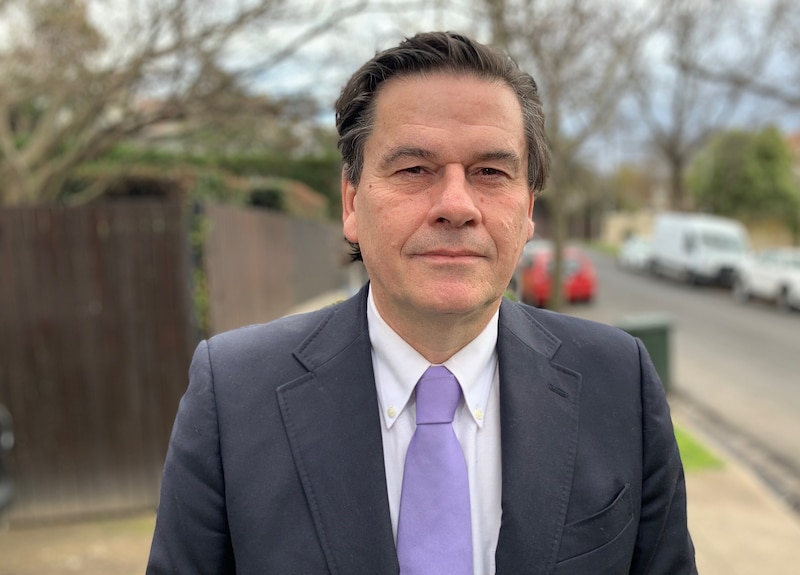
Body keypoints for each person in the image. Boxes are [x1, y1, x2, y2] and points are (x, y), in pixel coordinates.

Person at [147, 31, 698, 575]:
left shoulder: (619, 382)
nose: (456, 206)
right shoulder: (235, 395)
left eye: (490, 172)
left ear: (528, 209)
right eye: (414, 170)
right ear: (351, 201)